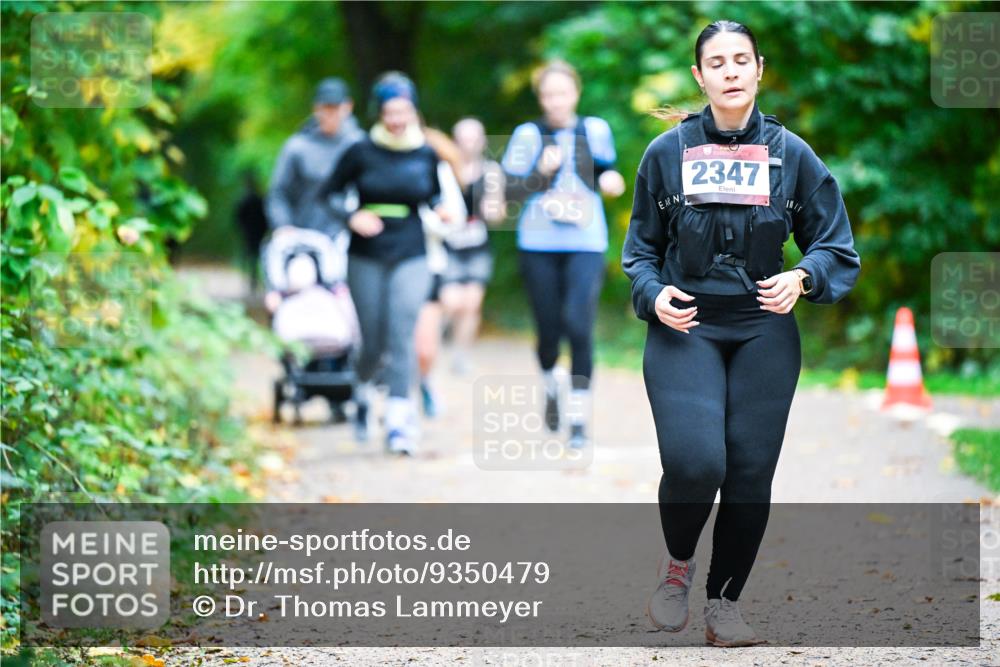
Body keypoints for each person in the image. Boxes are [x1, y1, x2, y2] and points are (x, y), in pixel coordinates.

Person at [622, 20, 860, 647]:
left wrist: (803, 278)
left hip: (764, 327)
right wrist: (653, 295)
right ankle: (677, 566)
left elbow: (835, 246)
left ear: (759, 70)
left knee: (751, 473)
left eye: (740, 60)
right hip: (687, 325)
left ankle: (723, 605)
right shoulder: (666, 153)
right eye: (716, 63)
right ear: (700, 77)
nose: (729, 71)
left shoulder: (793, 154)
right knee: (697, 463)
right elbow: (640, 252)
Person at [317, 72, 450, 456]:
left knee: (401, 331)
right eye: (390, 111)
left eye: (404, 110)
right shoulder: (360, 151)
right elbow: (329, 194)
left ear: (413, 110)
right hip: (366, 252)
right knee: (373, 340)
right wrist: (351, 216)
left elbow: (434, 196)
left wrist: (440, 210)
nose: (397, 119)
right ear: (379, 112)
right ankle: (360, 391)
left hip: (411, 250)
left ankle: (398, 421)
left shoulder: (426, 151)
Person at [501, 60, 626, 450]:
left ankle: (577, 418)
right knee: (549, 330)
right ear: (541, 97)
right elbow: (509, 193)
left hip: (586, 242)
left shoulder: (595, 130)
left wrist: (611, 181)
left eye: (562, 92)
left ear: (576, 93)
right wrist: (540, 171)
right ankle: (551, 384)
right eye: (548, 94)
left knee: (579, 323)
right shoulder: (528, 134)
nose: (556, 101)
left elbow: (607, 172)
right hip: (538, 243)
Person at [440, 117, 506, 376]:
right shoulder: (443, 170)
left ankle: (460, 355)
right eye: (463, 139)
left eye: (474, 139)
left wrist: (494, 209)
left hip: (476, 243)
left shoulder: (491, 171)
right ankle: (429, 349)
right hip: (448, 242)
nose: (468, 145)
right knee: (450, 302)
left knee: (471, 303)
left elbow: (498, 213)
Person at [267, 77, 364, 237]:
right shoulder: (297, 147)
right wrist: (282, 225)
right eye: (325, 108)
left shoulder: (361, 145)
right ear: (316, 108)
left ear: (348, 107)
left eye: (335, 108)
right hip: (306, 238)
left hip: (352, 243)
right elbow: (278, 192)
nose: (330, 114)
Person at [415, 126, 468, 418]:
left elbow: (455, 217)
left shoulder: (435, 166)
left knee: (425, 348)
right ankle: (399, 404)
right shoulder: (370, 158)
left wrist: (434, 220)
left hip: (429, 264)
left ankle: (425, 381)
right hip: (382, 263)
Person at [234, 170, 268, 291]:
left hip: (252, 232)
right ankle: (252, 279)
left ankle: (252, 279)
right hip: (256, 232)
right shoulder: (258, 200)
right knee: (254, 256)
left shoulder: (247, 200)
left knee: (251, 256)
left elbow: (239, 217)